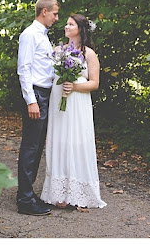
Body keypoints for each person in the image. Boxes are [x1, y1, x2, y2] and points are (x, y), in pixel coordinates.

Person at [40, 14, 107, 209]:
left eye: (71, 24)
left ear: (80, 28)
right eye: (66, 24)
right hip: (58, 101)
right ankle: (58, 192)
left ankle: (79, 191)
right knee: (59, 141)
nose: (66, 26)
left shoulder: (89, 54)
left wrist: (75, 87)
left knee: (76, 141)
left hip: (77, 102)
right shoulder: (58, 50)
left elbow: (95, 83)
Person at [16, 0, 60, 216]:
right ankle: (24, 200)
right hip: (36, 97)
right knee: (31, 147)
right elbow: (24, 69)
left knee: (37, 146)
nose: (56, 18)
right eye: (54, 13)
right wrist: (31, 101)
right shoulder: (30, 35)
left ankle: (28, 193)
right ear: (44, 12)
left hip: (45, 95)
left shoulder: (43, 36)